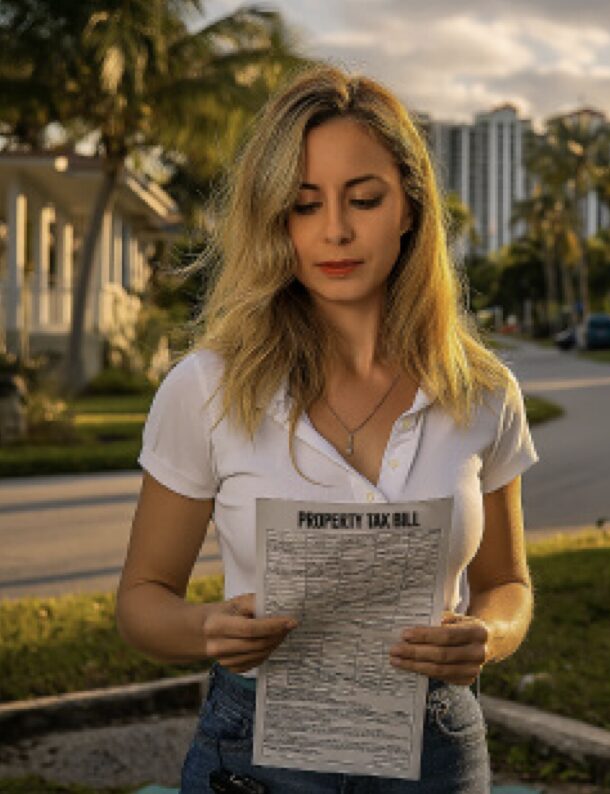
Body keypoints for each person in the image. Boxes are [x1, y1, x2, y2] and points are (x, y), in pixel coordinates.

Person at [115, 65, 537, 793]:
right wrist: (207, 628)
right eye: (304, 205)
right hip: (257, 750)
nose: (335, 230)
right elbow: (142, 600)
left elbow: (508, 584)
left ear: (410, 208)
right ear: (275, 220)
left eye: (363, 199)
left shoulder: (483, 391)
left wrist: (487, 637)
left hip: (435, 747)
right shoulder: (206, 388)